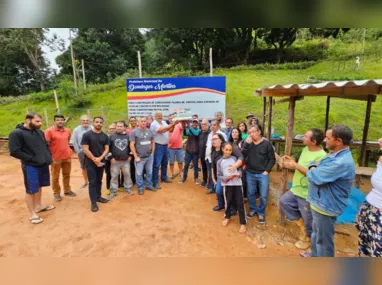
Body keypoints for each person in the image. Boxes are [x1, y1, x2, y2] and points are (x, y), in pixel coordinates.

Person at [301, 124, 356, 257]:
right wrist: (314, 166)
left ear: (338, 141)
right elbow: (315, 166)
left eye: (328, 138)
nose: (324, 140)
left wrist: (313, 167)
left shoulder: (340, 162)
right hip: (319, 202)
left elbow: (315, 176)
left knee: (323, 242)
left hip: (326, 207)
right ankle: (314, 256)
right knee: (316, 235)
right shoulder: (334, 155)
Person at [279, 129, 326, 250]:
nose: (302, 138)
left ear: (314, 141)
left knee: (308, 218)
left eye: (305, 136)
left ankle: (307, 238)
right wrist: (290, 159)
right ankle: (302, 226)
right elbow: (299, 160)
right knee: (284, 201)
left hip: (308, 192)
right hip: (296, 188)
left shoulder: (321, 156)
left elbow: (313, 174)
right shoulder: (306, 149)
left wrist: (295, 166)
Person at [9, 112, 55, 224]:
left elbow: (45, 146)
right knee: (30, 189)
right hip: (30, 166)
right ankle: (33, 214)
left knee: (39, 185)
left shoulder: (39, 132)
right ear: (28, 120)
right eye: (37, 121)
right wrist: (32, 159)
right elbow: (15, 151)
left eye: (41, 121)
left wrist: (48, 158)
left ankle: (39, 206)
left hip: (42, 164)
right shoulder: (17, 133)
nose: (40, 124)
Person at [241, 124, 275, 224]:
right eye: (249, 132)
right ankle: (253, 209)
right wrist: (246, 144)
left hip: (262, 174)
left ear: (259, 132)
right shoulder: (248, 143)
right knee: (250, 193)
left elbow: (272, 159)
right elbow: (242, 155)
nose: (251, 134)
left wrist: (267, 171)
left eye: (253, 132)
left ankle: (261, 212)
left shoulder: (266, 144)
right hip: (250, 172)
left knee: (263, 195)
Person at [357, 137, 382, 257]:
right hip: (370, 210)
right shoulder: (381, 159)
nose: (379, 139)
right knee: (365, 248)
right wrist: (364, 209)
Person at [44, 114, 76, 201]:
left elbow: (67, 141)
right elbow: (46, 145)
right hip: (55, 158)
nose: (60, 121)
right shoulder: (49, 131)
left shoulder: (67, 131)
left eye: (62, 120)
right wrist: (49, 157)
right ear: (54, 121)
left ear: (64, 121)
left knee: (67, 175)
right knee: (55, 177)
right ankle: (57, 193)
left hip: (67, 157)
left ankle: (67, 190)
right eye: (58, 120)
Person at [81, 116, 110, 212]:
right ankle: (93, 202)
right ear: (93, 123)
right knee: (92, 182)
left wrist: (100, 159)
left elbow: (106, 149)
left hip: (101, 162)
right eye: (97, 122)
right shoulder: (87, 135)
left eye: (101, 122)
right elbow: (85, 148)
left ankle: (98, 197)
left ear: (102, 124)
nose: (99, 124)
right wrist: (94, 159)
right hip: (90, 163)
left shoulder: (105, 136)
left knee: (99, 180)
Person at [217, 143, 247, 233]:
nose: (228, 152)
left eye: (230, 150)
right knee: (228, 202)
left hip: (237, 183)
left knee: (240, 203)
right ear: (222, 149)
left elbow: (240, 170)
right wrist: (226, 178)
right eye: (226, 150)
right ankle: (227, 216)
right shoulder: (219, 161)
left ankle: (243, 223)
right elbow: (219, 175)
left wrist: (239, 174)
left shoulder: (234, 159)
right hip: (227, 185)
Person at [211, 133, 243, 212]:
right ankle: (221, 205)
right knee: (218, 191)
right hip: (221, 176)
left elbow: (240, 157)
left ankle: (232, 208)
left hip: (232, 175)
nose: (213, 141)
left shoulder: (228, 148)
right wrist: (213, 177)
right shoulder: (213, 151)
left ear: (220, 140)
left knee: (231, 193)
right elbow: (212, 166)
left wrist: (236, 167)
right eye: (212, 139)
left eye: (215, 139)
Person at [150, 111, 179, 189]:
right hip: (158, 146)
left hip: (165, 146)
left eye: (161, 115)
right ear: (155, 116)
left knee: (165, 163)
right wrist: (172, 124)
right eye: (158, 115)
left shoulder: (163, 122)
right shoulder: (153, 124)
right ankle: (155, 182)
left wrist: (173, 124)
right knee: (156, 165)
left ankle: (164, 177)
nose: (160, 117)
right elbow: (160, 130)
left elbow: (170, 130)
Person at [108, 121, 134, 200]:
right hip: (115, 161)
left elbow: (131, 147)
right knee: (114, 176)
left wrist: (130, 156)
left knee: (127, 175)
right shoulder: (111, 137)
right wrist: (111, 157)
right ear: (116, 127)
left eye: (121, 126)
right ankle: (113, 191)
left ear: (124, 127)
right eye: (118, 126)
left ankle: (128, 188)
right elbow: (107, 148)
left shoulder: (127, 136)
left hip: (126, 161)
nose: (119, 128)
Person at [130, 117, 156, 195]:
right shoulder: (134, 132)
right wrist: (135, 156)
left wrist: (152, 153)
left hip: (149, 157)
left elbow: (153, 142)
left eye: (145, 121)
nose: (143, 122)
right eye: (142, 121)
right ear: (138, 122)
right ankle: (140, 188)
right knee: (139, 174)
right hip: (139, 158)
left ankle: (148, 185)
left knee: (149, 172)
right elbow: (131, 145)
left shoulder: (150, 131)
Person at [205, 119, 227, 194]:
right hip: (209, 157)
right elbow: (208, 145)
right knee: (211, 172)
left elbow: (225, 145)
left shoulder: (222, 134)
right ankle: (213, 186)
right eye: (211, 125)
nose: (212, 126)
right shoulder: (210, 134)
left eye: (214, 125)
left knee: (218, 174)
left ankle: (217, 189)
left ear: (218, 126)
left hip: (218, 157)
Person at [72, 115, 92, 188]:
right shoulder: (76, 130)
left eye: (87, 120)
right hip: (82, 152)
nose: (85, 122)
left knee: (92, 166)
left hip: (92, 151)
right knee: (84, 167)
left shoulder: (92, 128)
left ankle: (92, 181)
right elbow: (75, 141)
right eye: (84, 120)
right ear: (81, 121)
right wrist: (78, 151)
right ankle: (85, 181)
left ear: (89, 121)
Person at [179, 119, 200, 184]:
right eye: (193, 123)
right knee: (186, 165)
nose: (194, 124)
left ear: (197, 124)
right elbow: (185, 133)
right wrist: (185, 127)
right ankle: (184, 178)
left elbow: (196, 134)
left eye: (196, 123)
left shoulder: (199, 131)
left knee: (196, 166)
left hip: (195, 152)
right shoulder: (190, 130)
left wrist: (189, 126)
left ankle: (196, 178)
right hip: (188, 151)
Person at [168, 113, 184, 180]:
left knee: (180, 161)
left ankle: (181, 172)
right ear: (168, 120)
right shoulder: (167, 126)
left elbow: (183, 127)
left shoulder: (179, 124)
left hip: (179, 147)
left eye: (172, 118)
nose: (171, 119)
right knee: (171, 162)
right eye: (170, 118)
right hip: (170, 148)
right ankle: (171, 173)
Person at [199, 119, 211, 188]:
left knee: (209, 169)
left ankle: (210, 183)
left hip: (209, 155)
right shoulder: (200, 132)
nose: (203, 125)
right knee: (204, 168)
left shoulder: (210, 133)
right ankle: (204, 180)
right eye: (202, 124)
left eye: (205, 124)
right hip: (202, 154)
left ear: (208, 125)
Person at [105, 123, 117, 192]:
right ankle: (108, 188)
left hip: (116, 159)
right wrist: (110, 157)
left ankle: (117, 186)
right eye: (110, 129)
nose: (112, 130)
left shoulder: (117, 137)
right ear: (108, 130)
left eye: (113, 128)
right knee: (109, 173)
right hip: (107, 159)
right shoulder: (105, 137)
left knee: (116, 173)